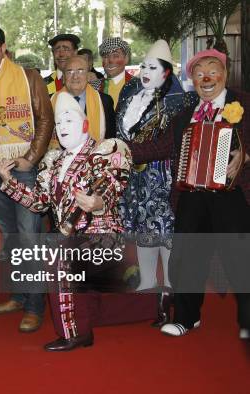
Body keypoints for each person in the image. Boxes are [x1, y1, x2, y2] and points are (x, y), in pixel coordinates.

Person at [0, 91, 156, 351]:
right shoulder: (53, 161)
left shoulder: (107, 149)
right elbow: (39, 202)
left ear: (85, 124)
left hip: (103, 236)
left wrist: (98, 202)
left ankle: (75, 333)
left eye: (68, 121)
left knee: (58, 258)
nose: (62, 127)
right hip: (71, 238)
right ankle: (158, 303)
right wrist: (7, 180)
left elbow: (112, 187)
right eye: (58, 123)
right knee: (96, 302)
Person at [129, 49, 250, 340]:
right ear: (192, 79)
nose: (206, 78)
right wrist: (121, 150)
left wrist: (246, 155)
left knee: (241, 258)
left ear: (225, 72)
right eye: (198, 73)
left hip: (231, 195)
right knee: (185, 256)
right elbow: (159, 147)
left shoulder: (244, 103)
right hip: (191, 194)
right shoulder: (186, 113)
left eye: (212, 70)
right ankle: (186, 316)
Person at [0, 25, 54, 332]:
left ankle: (36, 306)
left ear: (3, 47)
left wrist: (31, 157)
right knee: (9, 236)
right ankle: (20, 295)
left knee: (29, 235)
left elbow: (45, 118)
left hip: (24, 166)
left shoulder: (29, 76)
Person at [115, 40, 189, 325]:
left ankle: (167, 292)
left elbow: (169, 145)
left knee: (164, 232)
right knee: (144, 231)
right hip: (134, 174)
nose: (146, 71)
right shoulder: (130, 93)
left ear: (166, 73)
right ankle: (148, 287)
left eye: (153, 67)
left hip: (161, 175)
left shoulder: (177, 102)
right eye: (144, 66)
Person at [50, 55, 116, 141]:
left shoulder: (104, 101)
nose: (75, 76)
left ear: (88, 75)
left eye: (80, 71)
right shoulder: (50, 101)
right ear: (63, 77)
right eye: (69, 72)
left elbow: (111, 140)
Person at [98, 37, 133, 109]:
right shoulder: (94, 87)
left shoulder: (137, 86)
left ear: (126, 59)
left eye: (116, 56)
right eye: (106, 56)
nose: (110, 60)